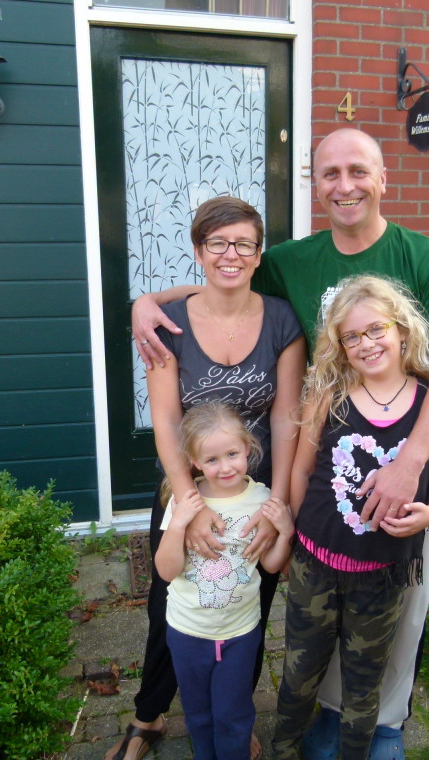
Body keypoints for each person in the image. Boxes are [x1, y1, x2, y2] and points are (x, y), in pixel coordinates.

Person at [131, 128, 429, 759]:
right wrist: (146, 301)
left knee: (392, 620)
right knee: (286, 615)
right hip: (312, 485)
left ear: (382, 178)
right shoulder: (292, 259)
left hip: (401, 473)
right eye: (329, 174)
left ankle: (381, 728)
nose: (344, 185)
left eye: (358, 171)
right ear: (315, 186)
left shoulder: (425, 256)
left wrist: (412, 463)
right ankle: (221, 716)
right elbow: (226, 279)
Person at [107, 196, 305, 760]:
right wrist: (190, 502)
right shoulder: (168, 326)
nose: (230, 254)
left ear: (258, 252)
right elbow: (167, 420)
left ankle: (233, 720)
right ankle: (148, 719)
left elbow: (287, 421)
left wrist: (281, 507)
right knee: (168, 600)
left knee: (250, 604)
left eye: (243, 243)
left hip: (254, 493)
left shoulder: (281, 320)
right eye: (217, 243)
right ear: (198, 251)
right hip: (185, 487)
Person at [272, 275, 429, 760]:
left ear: (402, 329)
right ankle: (282, 748)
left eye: (376, 329)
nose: (366, 343)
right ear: (340, 346)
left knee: (364, 686)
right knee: (299, 673)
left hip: (381, 575)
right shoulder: (330, 395)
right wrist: (295, 540)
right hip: (314, 566)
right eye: (352, 336)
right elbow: (301, 470)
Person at [156, 402, 294, 760]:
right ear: (194, 461)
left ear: (248, 448)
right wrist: (178, 522)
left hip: (240, 633)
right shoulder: (186, 501)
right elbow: (166, 570)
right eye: (212, 459)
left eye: (232, 453)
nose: (225, 466)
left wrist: (285, 533)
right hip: (187, 631)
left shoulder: (262, 499)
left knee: (234, 715)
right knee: (198, 715)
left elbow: (273, 565)